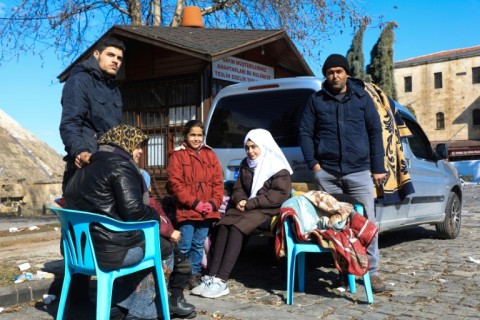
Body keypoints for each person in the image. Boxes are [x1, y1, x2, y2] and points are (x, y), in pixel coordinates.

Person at [64, 124, 194, 319]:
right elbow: (134, 211)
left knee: (143, 246)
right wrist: (156, 216)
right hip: (109, 252)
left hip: (81, 253)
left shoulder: (82, 169)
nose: (141, 151)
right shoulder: (120, 165)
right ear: (124, 144)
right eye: (137, 146)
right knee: (162, 249)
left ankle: (118, 308)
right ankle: (143, 313)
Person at [298, 53, 388, 293]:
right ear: (325, 75)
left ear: (347, 73)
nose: (334, 75)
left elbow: (374, 132)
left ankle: (373, 272)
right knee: (335, 223)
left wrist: (378, 167)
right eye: (330, 72)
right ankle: (343, 270)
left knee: (366, 221)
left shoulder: (362, 98)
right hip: (327, 173)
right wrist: (314, 166)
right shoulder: (316, 100)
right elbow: (305, 132)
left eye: (339, 71)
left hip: (359, 172)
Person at [191, 128, 292, 298]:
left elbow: (278, 195)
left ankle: (221, 280)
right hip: (247, 208)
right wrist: (239, 200)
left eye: (254, 147)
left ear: (264, 146)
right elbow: (238, 187)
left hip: (266, 210)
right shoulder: (246, 164)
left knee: (237, 227)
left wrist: (250, 203)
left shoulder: (278, 168)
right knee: (223, 225)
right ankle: (211, 275)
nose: (250, 151)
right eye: (247, 147)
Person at [59, 36, 126, 194]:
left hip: (110, 164)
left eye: (119, 58)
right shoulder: (79, 81)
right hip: (86, 165)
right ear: (97, 54)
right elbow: (70, 124)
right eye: (110, 55)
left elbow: (115, 130)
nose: (115, 61)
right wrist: (80, 151)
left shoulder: (114, 89)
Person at [167, 120, 224, 289]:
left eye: (200, 135)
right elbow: (176, 185)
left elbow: (218, 183)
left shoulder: (210, 155)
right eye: (193, 135)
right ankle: (178, 276)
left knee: (199, 244)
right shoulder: (177, 156)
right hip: (187, 210)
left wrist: (213, 203)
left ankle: (193, 275)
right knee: (184, 244)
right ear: (185, 135)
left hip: (207, 211)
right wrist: (195, 203)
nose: (196, 138)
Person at [140, 169, 196, 319]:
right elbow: (159, 222)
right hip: (160, 242)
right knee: (184, 266)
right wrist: (171, 232)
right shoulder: (148, 202)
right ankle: (175, 299)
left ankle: (172, 298)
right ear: (148, 186)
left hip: (154, 242)